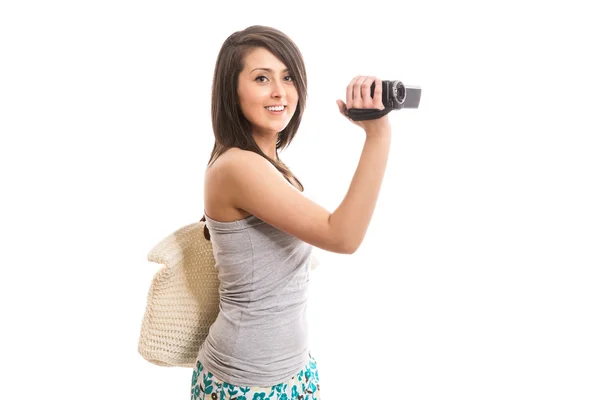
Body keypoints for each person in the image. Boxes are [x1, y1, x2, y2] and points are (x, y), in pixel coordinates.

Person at [192, 25, 392, 400]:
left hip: (292, 369)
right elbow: (342, 236)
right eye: (261, 78)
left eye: (288, 77)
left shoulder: (268, 163)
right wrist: (378, 136)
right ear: (231, 91)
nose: (279, 92)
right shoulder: (238, 167)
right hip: (247, 383)